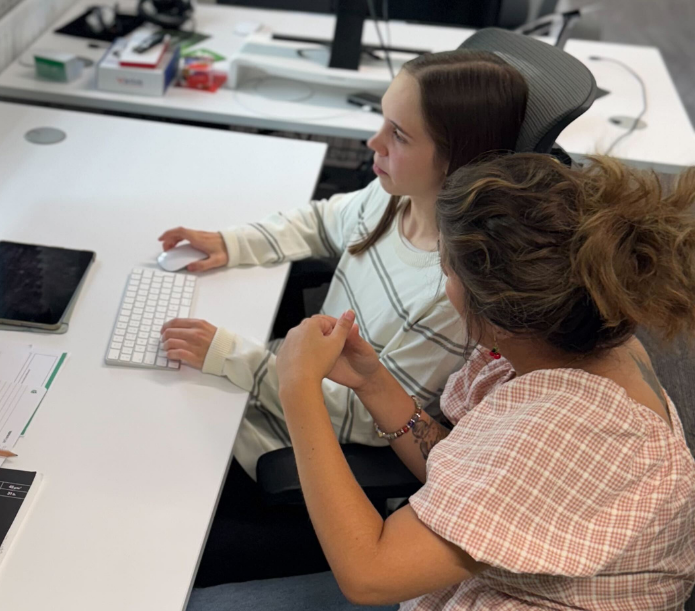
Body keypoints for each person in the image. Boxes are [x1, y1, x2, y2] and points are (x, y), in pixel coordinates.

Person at [189, 154, 695, 610]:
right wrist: (373, 382)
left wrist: (298, 388)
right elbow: (467, 468)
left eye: (447, 271)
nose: (443, 282)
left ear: (500, 319)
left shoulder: (567, 432)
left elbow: (370, 576)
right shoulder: (582, 340)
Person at [158, 50, 528, 479]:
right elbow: (319, 222)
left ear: (454, 158)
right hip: (274, 379)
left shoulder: (448, 294)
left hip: (293, 435)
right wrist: (232, 243)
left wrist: (231, 357)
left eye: (398, 135)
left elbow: (366, 417)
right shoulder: (393, 197)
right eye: (382, 121)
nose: (374, 142)